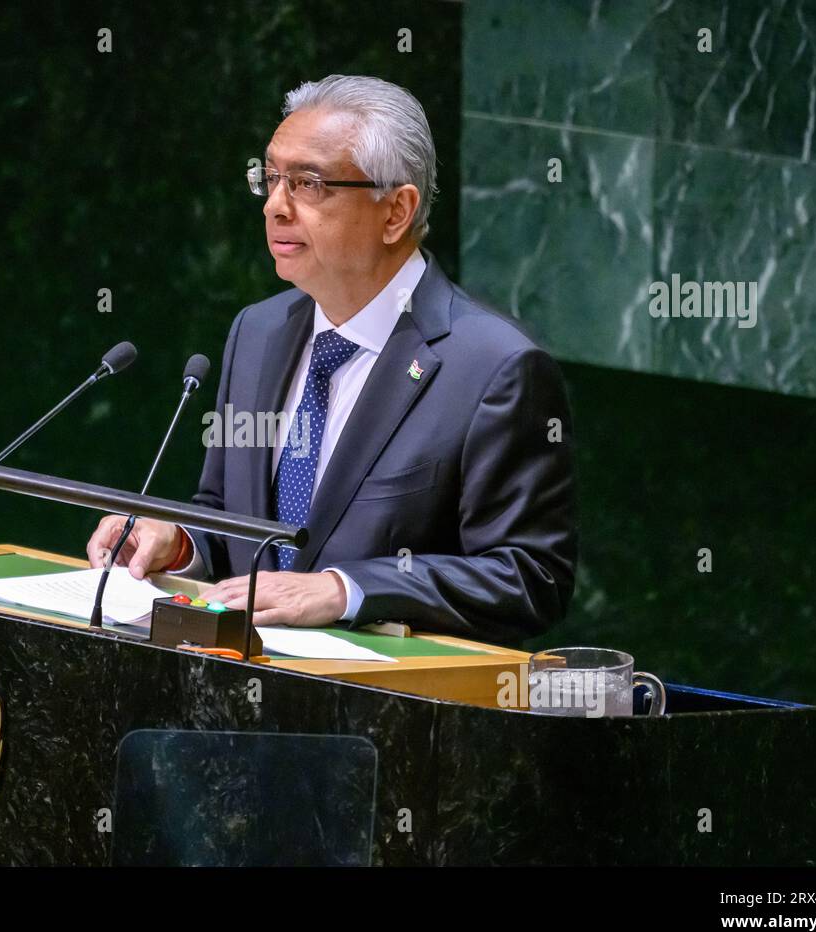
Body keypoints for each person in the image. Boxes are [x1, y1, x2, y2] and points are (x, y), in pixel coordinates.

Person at [86, 74, 576, 641]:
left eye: (308, 183)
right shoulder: (258, 331)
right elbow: (230, 514)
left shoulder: (495, 368)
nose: (275, 206)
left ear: (395, 211)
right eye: (270, 178)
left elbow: (529, 577)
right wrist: (180, 542)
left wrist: (347, 589)